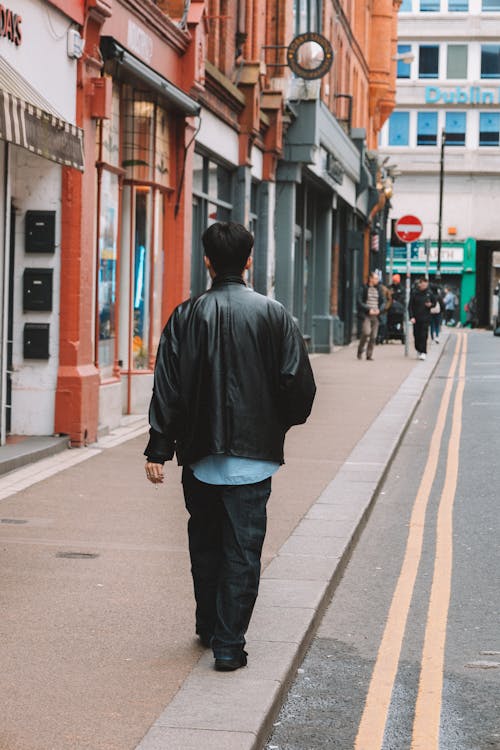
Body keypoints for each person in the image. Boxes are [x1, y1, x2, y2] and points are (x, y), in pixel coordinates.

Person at [143, 222, 316, 672]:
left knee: (205, 544)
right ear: (249, 260)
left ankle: (208, 626)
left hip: (199, 456)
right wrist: (276, 423)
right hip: (253, 460)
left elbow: (168, 387)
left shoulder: (185, 315)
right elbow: (299, 387)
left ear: (206, 261)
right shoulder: (274, 314)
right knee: (243, 550)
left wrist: (159, 447)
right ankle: (228, 644)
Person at [357, 271, 385, 360]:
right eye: (376, 278)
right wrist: (369, 310)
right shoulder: (364, 288)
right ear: (371, 279)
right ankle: (360, 349)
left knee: (373, 336)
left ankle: (369, 355)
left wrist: (379, 310)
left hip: (376, 316)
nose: (377, 280)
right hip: (366, 315)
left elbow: (383, 301)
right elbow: (359, 301)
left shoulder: (379, 289)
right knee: (366, 332)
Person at [409, 277, 436, 360]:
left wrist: (430, 305)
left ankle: (424, 352)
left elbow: (434, 303)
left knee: (424, 335)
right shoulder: (414, 293)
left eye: (425, 283)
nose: (424, 285)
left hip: (426, 318)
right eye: (422, 283)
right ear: (419, 284)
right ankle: (418, 349)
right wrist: (411, 317)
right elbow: (410, 306)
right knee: (416, 335)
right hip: (416, 318)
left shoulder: (429, 293)